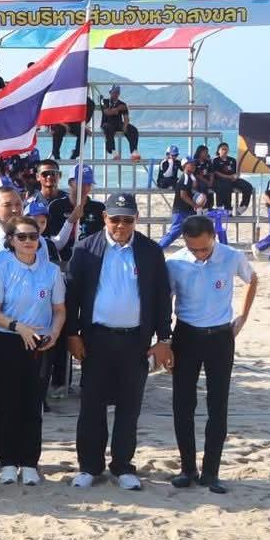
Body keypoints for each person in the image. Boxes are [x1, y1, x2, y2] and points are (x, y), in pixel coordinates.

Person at [66, 192, 173, 490]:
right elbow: (72, 295)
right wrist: (72, 334)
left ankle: (123, 466)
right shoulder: (86, 249)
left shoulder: (150, 251)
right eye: (115, 219)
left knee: (129, 406)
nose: (121, 226)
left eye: (128, 220)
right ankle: (90, 466)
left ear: (136, 219)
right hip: (96, 339)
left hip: (135, 341)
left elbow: (162, 297)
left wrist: (164, 338)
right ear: (105, 218)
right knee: (92, 405)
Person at [166, 216, 258, 493]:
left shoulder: (231, 256)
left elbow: (252, 279)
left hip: (220, 337)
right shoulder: (175, 263)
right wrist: (164, 340)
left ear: (214, 238)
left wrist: (243, 316)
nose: (199, 254)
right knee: (183, 404)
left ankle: (211, 472)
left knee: (218, 405)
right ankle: (187, 468)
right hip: (186, 335)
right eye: (193, 249)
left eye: (204, 249)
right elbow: (165, 301)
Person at [0, 217, 66, 484]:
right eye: (22, 237)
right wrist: (18, 327)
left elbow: (59, 310)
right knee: (8, 404)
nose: (29, 241)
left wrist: (54, 333)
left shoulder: (51, 271)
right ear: (11, 240)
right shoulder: (2, 270)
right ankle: (8, 462)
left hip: (41, 344)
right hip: (9, 342)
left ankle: (29, 462)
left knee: (33, 404)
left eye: (33, 236)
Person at [100, 87, 139, 160]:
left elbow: (126, 118)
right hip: (106, 123)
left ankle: (134, 152)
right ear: (110, 92)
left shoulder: (122, 104)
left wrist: (125, 126)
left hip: (118, 123)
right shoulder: (104, 101)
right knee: (108, 128)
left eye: (117, 92)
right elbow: (107, 112)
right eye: (114, 92)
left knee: (133, 130)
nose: (116, 94)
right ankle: (113, 152)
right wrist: (118, 109)